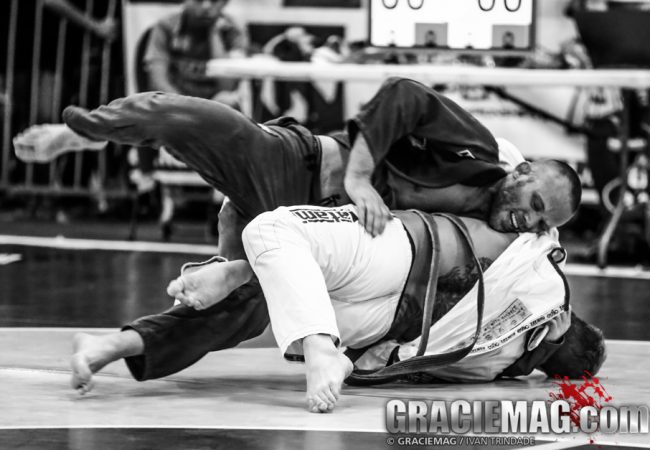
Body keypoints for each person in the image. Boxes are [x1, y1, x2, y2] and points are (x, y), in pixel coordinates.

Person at [14, 78, 583, 374]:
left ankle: (109, 347)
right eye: (533, 202)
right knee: (200, 120)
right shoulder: (479, 150)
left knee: (241, 315)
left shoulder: (508, 246)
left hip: (311, 237)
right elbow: (404, 95)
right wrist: (359, 178)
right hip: (299, 169)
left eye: (541, 221)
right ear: (522, 170)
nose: (527, 219)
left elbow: (522, 296)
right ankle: (84, 132)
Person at [69, 203, 604, 413]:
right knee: (268, 295)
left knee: (271, 236)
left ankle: (245, 272)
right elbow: (404, 366)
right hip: (377, 331)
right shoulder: (501, 367)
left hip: (400, 259)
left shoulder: (544, 277)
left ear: (562, 321)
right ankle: (113, 345)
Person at [133, 0, 247, 235]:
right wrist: (186, 108)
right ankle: (148, 186)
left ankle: (220, 200)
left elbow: (228, 84)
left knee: (230, 102)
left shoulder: (231, 31)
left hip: (213, 109)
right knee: (147, 104)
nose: (206, 6)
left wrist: (214, 34)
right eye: (199, 0)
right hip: (176, 106)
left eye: (214, 1)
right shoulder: (166, 27)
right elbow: (157, 79)